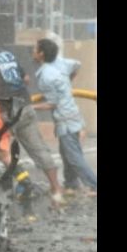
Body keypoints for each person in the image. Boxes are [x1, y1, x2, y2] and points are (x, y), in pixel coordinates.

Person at [0, 31, 64, 203]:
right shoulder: (7, 54)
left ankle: (14, 185)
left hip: (6, 111)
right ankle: (56, 189)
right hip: (25, 106)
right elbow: (26, 79)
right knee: (39, 149)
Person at [33, 39, 97, 196]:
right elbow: (77, 64)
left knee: (73, 156)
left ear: (41, 54)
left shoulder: (47, 76)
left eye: (35, 49)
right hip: (73, 113)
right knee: (66, 152)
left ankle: (94, 185)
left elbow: (52, 103)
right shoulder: (61, 63)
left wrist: (31, 107)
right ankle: (71, 183)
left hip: (65, 118)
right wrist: (67, 83)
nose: (33, 51)